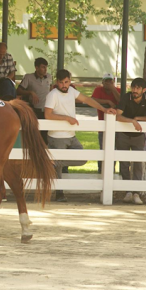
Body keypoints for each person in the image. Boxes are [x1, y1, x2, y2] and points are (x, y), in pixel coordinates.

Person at [45, 69, 117, 202]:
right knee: (58, 170)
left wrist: (104, 109)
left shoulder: (72, 91)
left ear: (70, 81)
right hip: (57, 136)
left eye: (66, 82)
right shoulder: (53, 94)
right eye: (61, 83)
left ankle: (54, 162)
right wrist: (66, 118)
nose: (64, 85)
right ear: (57, 82)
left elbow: (87, 100)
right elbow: (47, 114)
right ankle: (59, 193)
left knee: (82, 158)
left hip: (71, 135)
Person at [116, 77, 146, 205]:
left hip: (138, 136)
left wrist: (138, 118)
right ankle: (127, 191)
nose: (134, 90)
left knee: (138, 164)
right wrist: (132, 121)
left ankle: (136, 193)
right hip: (123, 134)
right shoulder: (126, 97)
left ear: (143, 90)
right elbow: (117, 115)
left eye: (138, 88)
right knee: (123, 164)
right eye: (133, 87)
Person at [17, 57, 51, 143]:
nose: (45, 69)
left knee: (45, 134)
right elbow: (19, 90)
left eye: (46, 67)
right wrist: (30, 92)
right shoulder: (28, 77)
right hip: (35, 109)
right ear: (36, 67)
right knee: (35, 134)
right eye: (43, 67)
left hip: (47, 109)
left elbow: (51, 89)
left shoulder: (49, 77)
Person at [91, 73, 121, 173]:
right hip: (102, 125)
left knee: (114, 149)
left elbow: (121, 101)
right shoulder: (98, 90)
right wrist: (107, 101)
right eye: (106, 81)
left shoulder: (118, 91)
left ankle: (111, 171)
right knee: (103, 149)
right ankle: (101, 171)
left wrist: (113, 89)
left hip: (117, 125)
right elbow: (93, 99)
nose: (108, 83)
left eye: (110, 81)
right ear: (102, 82)